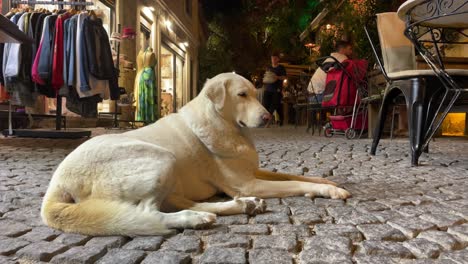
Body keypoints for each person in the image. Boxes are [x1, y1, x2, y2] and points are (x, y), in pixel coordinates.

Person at [263, 52, 287, 126]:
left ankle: (270, 119)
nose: (273, 60)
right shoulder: (269, 68)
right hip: (268, 89)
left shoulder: (281, 68)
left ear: (278, 59)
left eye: (275, 58)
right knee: (266, 104)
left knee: (274, 105)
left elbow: (284, 77)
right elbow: (266, 76)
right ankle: (268, 119)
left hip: (277, 90)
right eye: (272, 58)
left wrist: (277, 77)